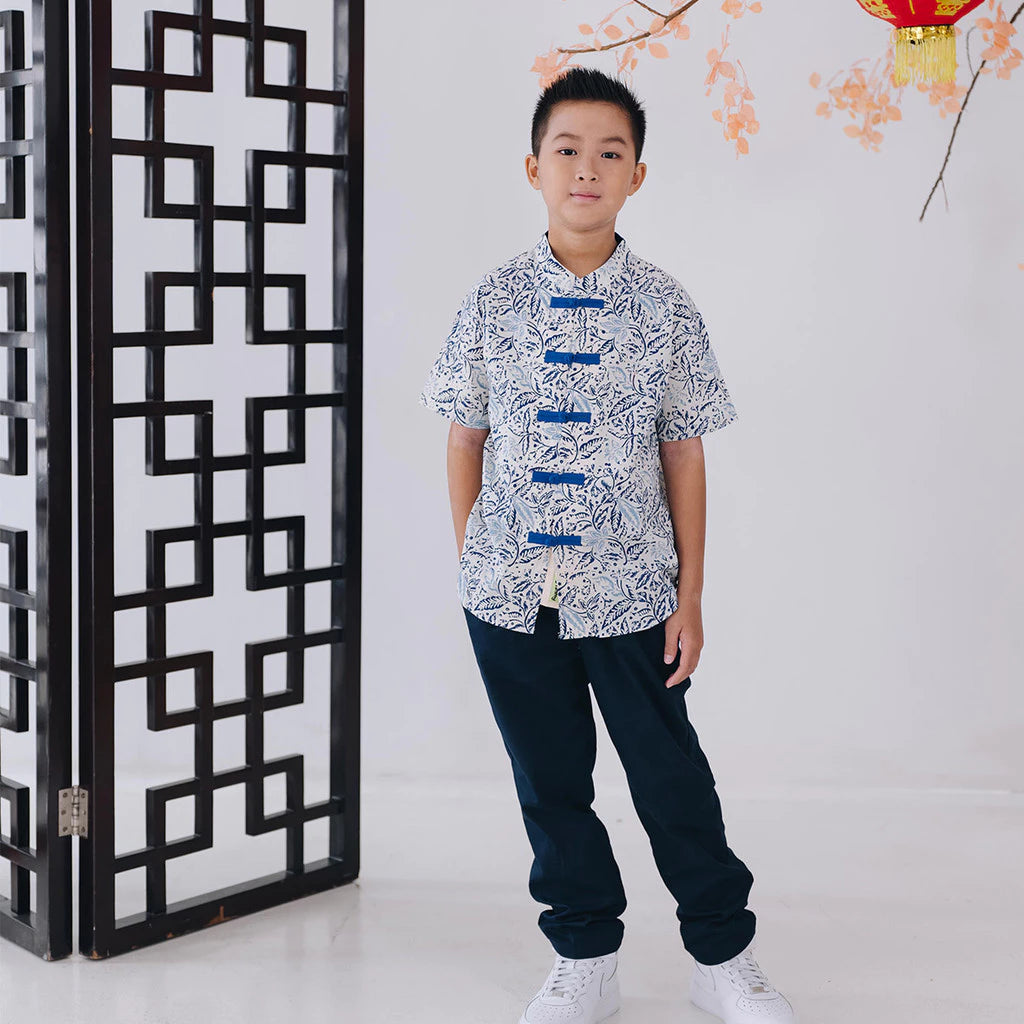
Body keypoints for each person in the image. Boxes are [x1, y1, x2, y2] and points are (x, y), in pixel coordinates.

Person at [418, 66, 797, 1024]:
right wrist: (477, 561)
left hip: (631, 590)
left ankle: (723, 956)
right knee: (549, 783)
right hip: (509, 594)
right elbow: (464, 439)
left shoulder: (667, 308)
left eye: (610, 153)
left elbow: (686, 455)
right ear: (534, 168)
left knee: (670, 776)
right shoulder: (491, 301)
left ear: (637, 176)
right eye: (568, 150)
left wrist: (692, 593)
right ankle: (584, 954)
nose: (587, 169)